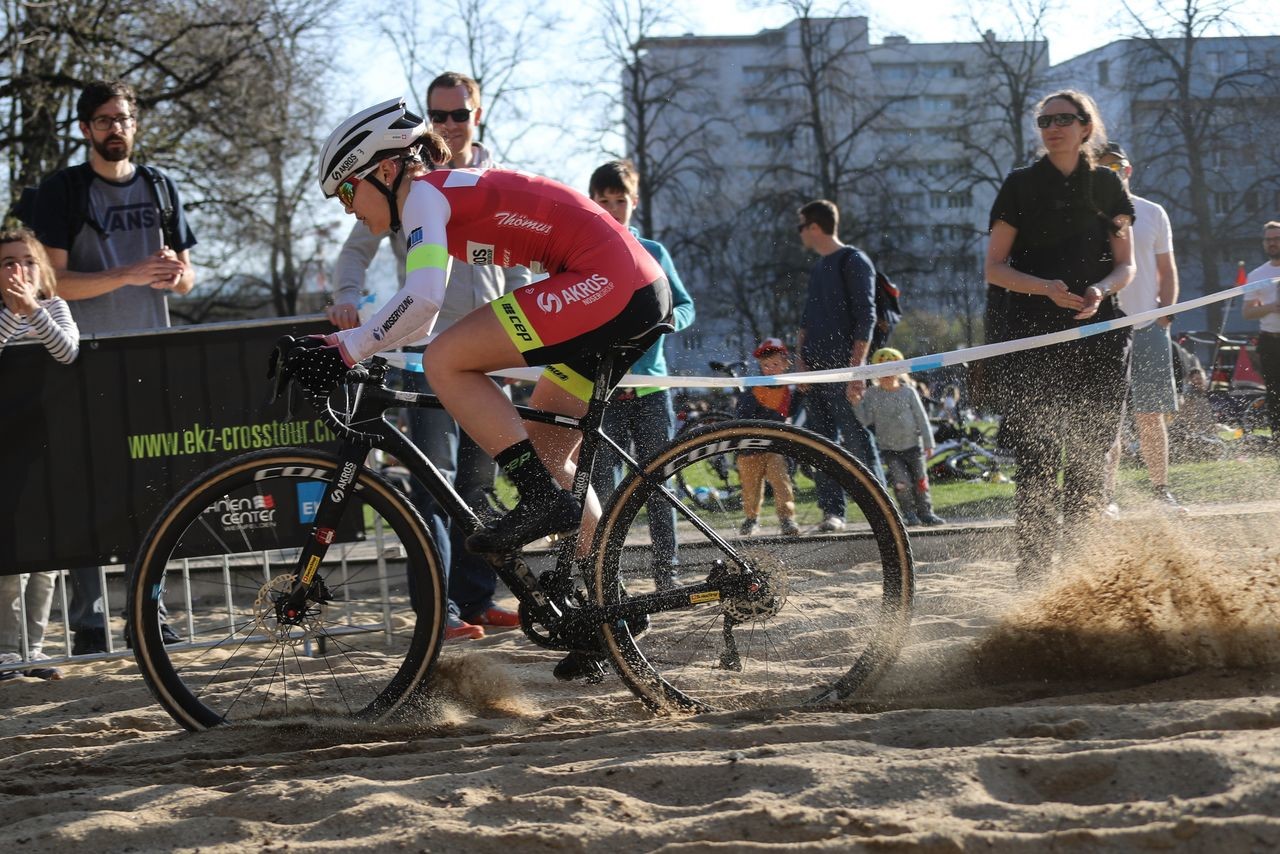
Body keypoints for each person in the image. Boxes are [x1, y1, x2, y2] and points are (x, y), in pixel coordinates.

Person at [304, 96, 671, 586]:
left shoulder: (423, 196)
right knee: (547, 454)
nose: (349, 210)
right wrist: (357, 346)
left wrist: (346, 347)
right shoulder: (434, 196)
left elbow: (424, 299)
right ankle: (610, 608)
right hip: (625, 287)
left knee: (447, 362)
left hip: (610, 282)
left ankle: (540, 501)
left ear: (387, 170)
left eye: (347, 193)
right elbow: (419, 323)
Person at [327, 73, 531, 641]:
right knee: (433, 485)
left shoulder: (488, 178)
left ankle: (478, 599)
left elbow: (518, 262)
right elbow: (357, 246)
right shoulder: (407, 180)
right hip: (425, 352)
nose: (448, 125)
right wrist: (347, 300)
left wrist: (525, 328)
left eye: (459, 115)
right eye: (438, 116)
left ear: (478, 115)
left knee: (479, 487)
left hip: (493, 352)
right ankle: (437, 613)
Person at [30, 79, 196, 654]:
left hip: (153, 358)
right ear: (85, 130)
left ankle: (150, 614)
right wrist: (126, 272)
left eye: (122, 118)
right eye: (102, 120)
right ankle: (91, 622)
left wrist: (176, 274)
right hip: (82, 358)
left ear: (135, 122)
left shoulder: (161, 186)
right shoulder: (64, 191)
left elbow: (189, 275)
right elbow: (49, 282)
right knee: (88, 492)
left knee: (154, 492)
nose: (114, 128)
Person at [983, 89, 1135, 584]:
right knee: (1038, 461)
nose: (1053, 126)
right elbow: (995, 268)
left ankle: (1078, 571)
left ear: (1086, 127)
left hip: (1100, 336)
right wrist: (1043, 288)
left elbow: (1126, 266)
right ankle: (1032, 573)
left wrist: (1099, 290)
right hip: (1032, 339)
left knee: (1091, 460)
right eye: (1045, 119)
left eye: (1064, 119)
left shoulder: (1109, 185)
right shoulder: (1020, 185)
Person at [586, 159, 696, 589]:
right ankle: (602, 575)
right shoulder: (582, 252)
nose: (613, 210)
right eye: (603, 201)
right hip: (603, 390)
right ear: (591, 202)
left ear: (634, 202)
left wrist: (664, 322)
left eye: (621, 201)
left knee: (657, 483)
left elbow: (685, 306)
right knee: (599, 488)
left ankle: (666, 575)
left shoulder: (654, 251)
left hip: (651, 389)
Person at [0, 228, 78, 681]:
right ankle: (9, 653)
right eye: (8, 262)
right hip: (4, 449)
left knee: (47, 558)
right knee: (9, 556)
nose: (18, 270)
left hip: (47, 448)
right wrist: (13, 316)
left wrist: (32, 311)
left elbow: (67, 351)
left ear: (40, 267)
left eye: (26, 261)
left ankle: (36, 648)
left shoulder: (55, 307)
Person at [1097, 143, 1184, 516]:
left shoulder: (1152, 212)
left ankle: (1161, 491)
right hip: (1106, 330)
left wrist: (1167, 312)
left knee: (1150, 415)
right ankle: (1105, 498)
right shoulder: (1088, 217)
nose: (1111, 172)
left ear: (1127, 171)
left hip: (1148, 325)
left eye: (1117, 166)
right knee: (1106, 421)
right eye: (1103, 167)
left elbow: (1167, 268)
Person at [794, 198, 885, 533]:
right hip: (815, 370)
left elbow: (867, 317)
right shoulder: (818, 267)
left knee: (859, 441)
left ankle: (883, 514)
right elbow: (806, 320)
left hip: (845, 369)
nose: (799, 233)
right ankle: (833, 513)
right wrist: (800, 362)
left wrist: (857, 371)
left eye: (800, 226)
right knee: (821, 446)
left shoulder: (854, 260)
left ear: (814, 227)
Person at [854, 348, 945, 527]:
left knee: (920, 481)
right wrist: (857, 403)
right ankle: (909, 514)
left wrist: (928, 443)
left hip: (913, 446)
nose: (887, 374)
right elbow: (866, 419)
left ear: (899, 371)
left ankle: (926, 512)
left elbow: (921, 418)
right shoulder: (873, 394)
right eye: (882, 370)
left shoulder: (908, 392)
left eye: (891, 369)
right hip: (890, 449)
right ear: (876, 373)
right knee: (901, 483)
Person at [734, 338, 799, 538]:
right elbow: (742, 415)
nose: (770, 369)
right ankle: (751, 518)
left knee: (781, 481)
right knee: (750, 486)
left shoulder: (790, 389)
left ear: (785, 364)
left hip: (774, 446)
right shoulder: (754, 388)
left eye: (775, 365)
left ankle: (786, 518)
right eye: (765, 365)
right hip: (750, 446)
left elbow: (792, 411)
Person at [1241, 221, 1280, 448]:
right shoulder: (1257, 275)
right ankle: (1277, 439)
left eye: (1276, 238)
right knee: (1275, 392)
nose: (1273, 243)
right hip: (1270, 340)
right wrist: (1271, 307)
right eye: (1269, 239)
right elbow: (1247, 312)